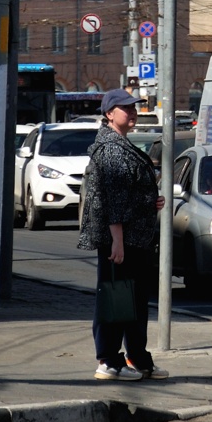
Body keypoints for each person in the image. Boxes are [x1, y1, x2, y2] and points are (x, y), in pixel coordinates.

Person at [77, 89, 167, 382]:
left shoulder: (122, 144)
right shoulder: (112, 148)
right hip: (121, 240)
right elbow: (113, 199)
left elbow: (130, 192)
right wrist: (117, 240)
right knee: (116, 299)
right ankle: (109, 361)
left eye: (134, 107)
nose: (132, 112)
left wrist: (150, 200)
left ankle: (137, 358)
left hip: (133, 238)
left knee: (134, 300)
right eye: (125, 108)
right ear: (109, 114)